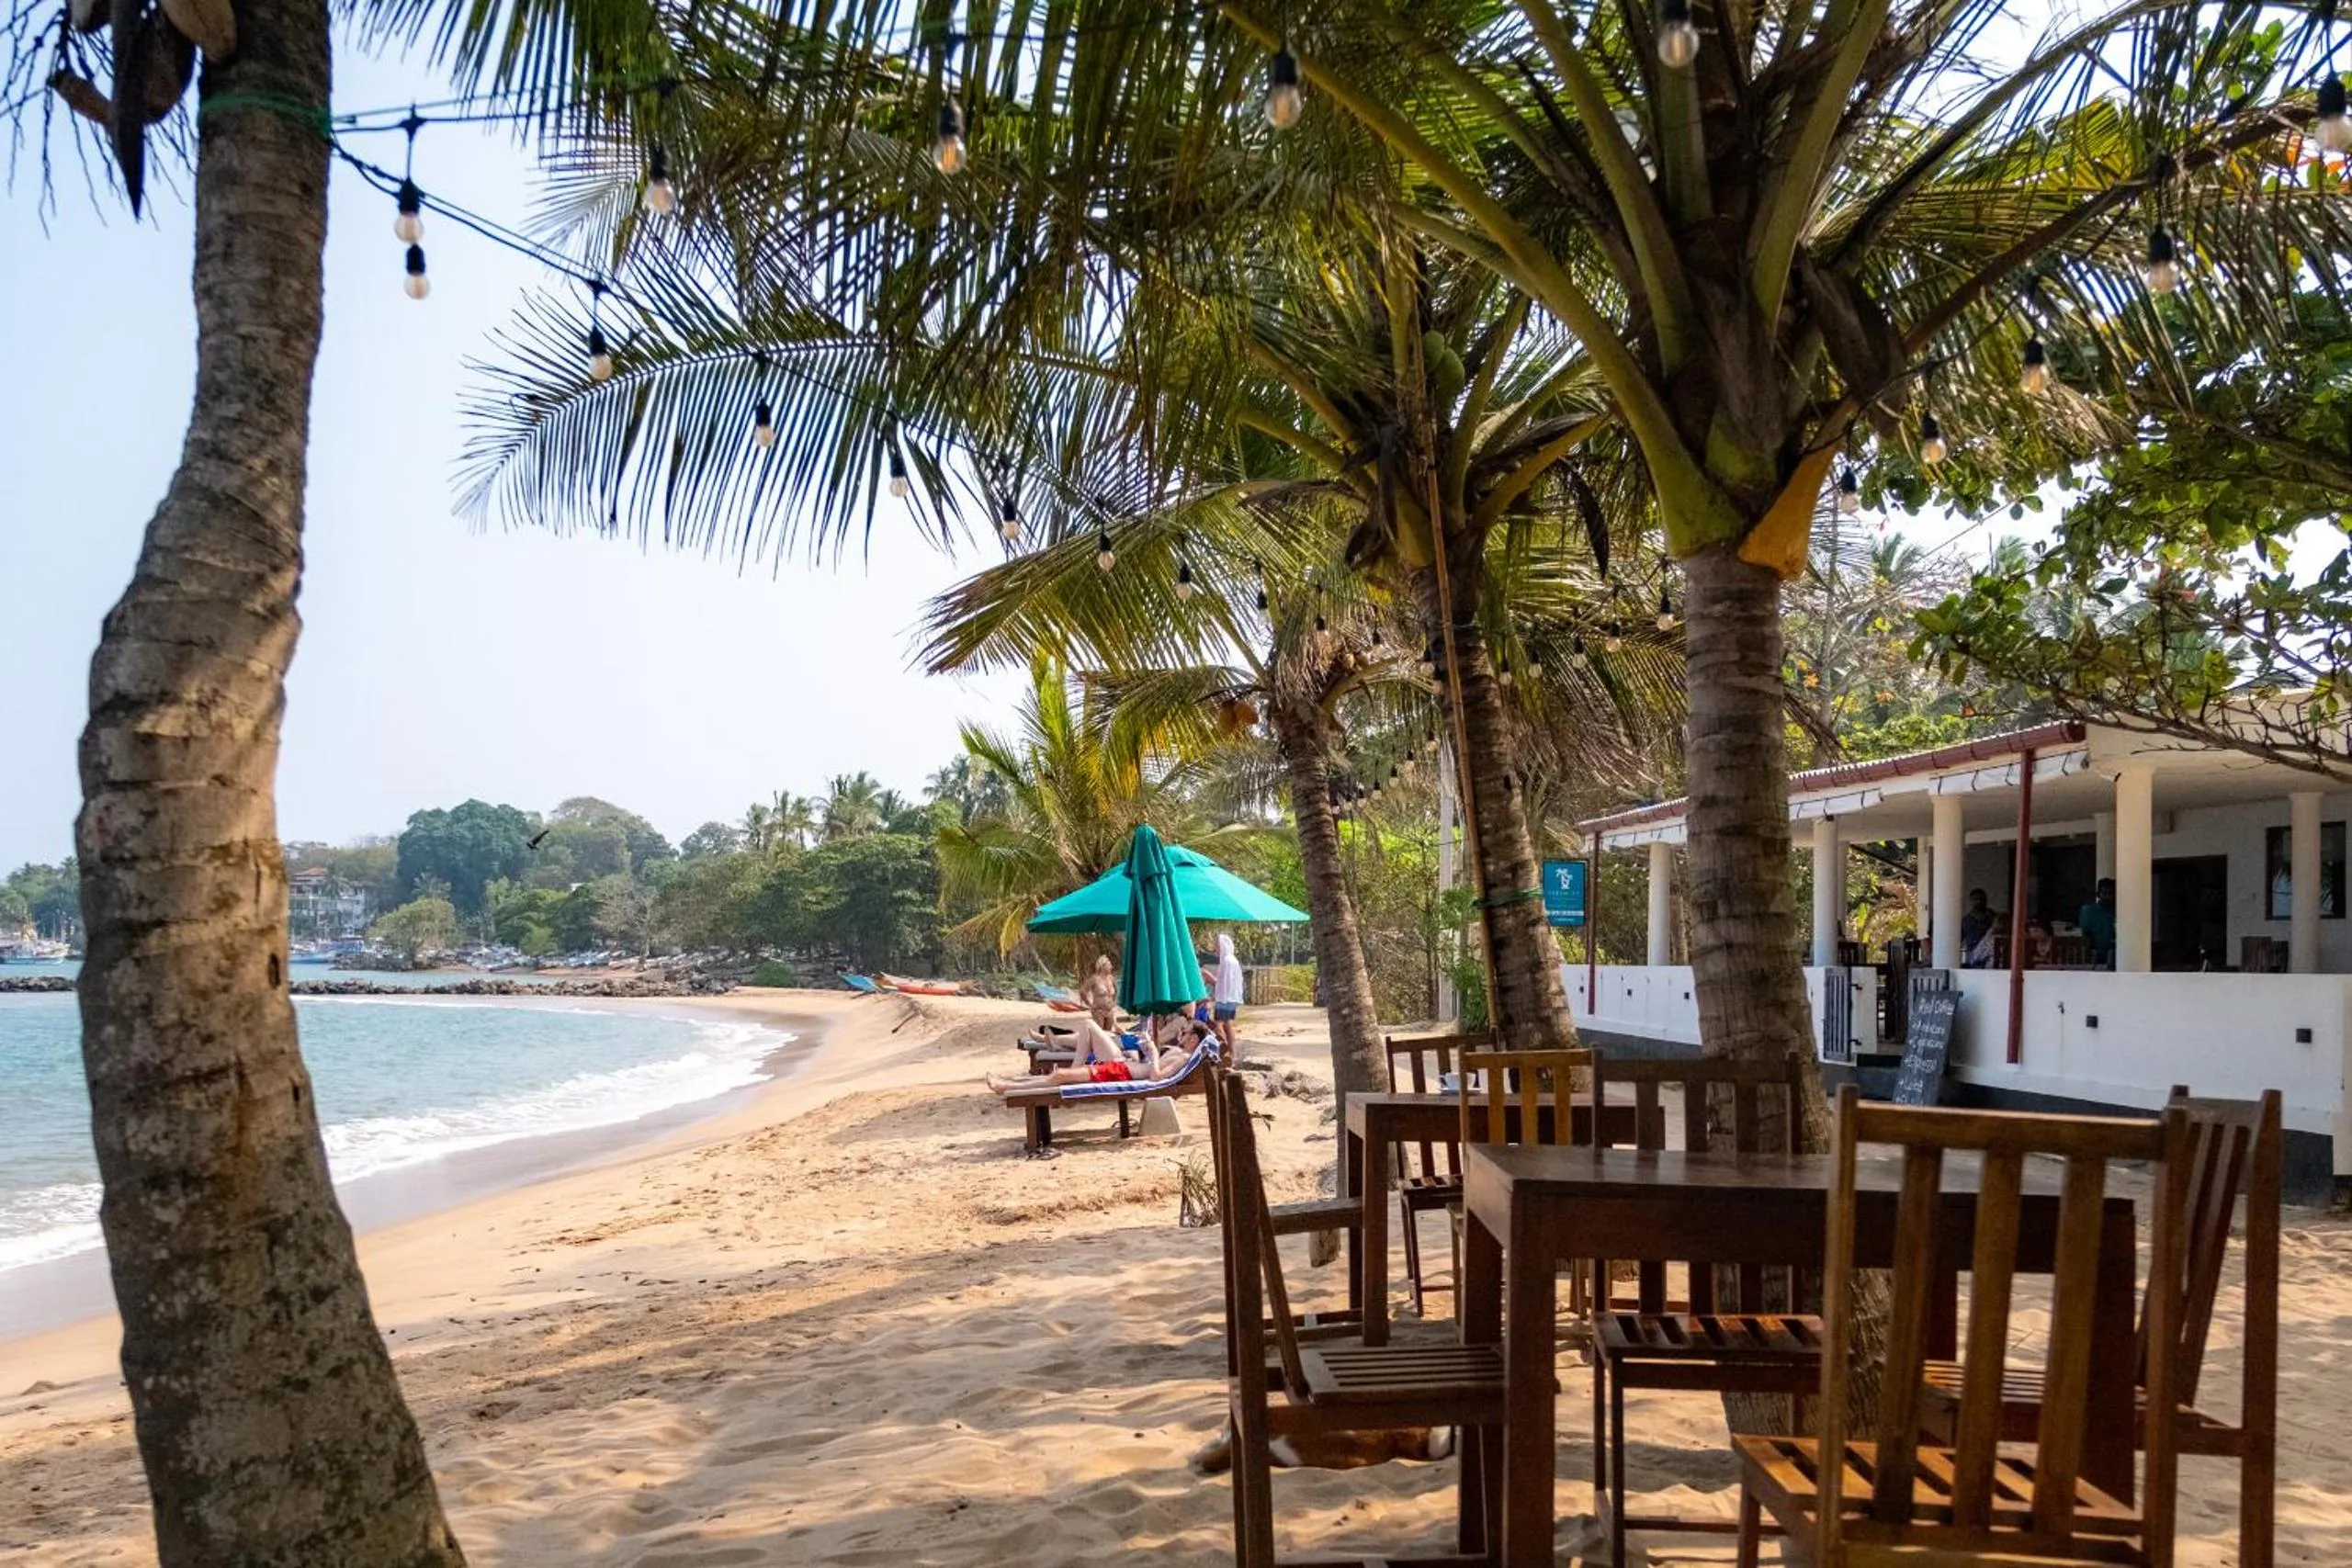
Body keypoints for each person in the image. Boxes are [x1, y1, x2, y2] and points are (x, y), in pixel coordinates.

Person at [987, 1015, 1209, 1093]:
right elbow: (1154, 1067)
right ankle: (1013, 1083)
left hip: (1122, 1072)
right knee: (1087, 1025)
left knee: (1059, 1077)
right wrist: (1147, 1049)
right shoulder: (1179, 1052)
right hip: (1126, 1064)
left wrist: (1152, 1051)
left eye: (1185, 1032)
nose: (1181, 1033)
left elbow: (1156, 1078)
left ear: (1193, 1039)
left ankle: (1007, 1087)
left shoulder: (1183, 1057)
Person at [1211, 931, 1246, 1054]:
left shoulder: (1227, 961)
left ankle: (1226, 1051)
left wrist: (1218, 998)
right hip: (1230, 997)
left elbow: (1225, 982)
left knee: (1218, 1025)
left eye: (1217, 945)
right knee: (1226, 1025)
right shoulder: (1231, 960)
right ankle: (1230, 1052)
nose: (1215, 947)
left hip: (1225, 998)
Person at [2077, 877, 2117, 969]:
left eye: (2110, 894)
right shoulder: (2088, 911)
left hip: (2114, 958)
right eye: (2104, 893)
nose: (2107, 897)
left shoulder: (2119, 911)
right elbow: (2085, 936)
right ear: (2098, 894)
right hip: (2093, 958)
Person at [1959, 888, 1997, 968]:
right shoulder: (1966, 920)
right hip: (1972, 957)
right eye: (1976, 899)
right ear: (1971, 901)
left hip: (1990, 956)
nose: (1979, 902)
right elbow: (1959, 939)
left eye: (1982, 899)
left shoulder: (1993, 917)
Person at [1080, 953, 1118, 1030]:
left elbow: (1117, 991)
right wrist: (1090, 1004)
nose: (1111, 967)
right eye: (1109, 965)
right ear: (1102, 966)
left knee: (1108, 1035)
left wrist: (1114, 1002)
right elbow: (1082, 991)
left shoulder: (1111, 978)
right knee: (1099, 1035)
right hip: (1098, 1011)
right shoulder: (1094, 979)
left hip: (1110, 1011)